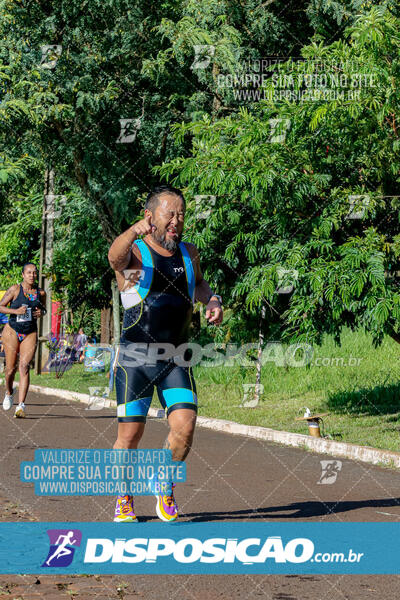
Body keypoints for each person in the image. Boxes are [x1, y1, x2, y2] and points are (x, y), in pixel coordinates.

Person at [108, 185, 223, 523]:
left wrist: (212, 301)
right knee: (130, 435)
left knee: (185, 426)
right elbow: (114, 258)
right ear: (150, 217)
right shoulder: (136, 256)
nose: (177, 220)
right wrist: (131, 232)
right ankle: (124, 496)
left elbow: (200, 285)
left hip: (176, 358)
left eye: (181, 214)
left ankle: (164, 481)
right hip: (136, 360)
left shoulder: (189, 254)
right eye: (169, 214)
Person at [0, 263, 46, 417]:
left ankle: (21, 406)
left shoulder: (41, 292)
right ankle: (8, 392)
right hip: (12, 331)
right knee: (10, 369)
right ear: (23, 275)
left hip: (30, 332)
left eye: (34, 273)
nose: (32, 275)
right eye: (29, 273)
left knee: (25, 366)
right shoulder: (15, 289)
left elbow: (43, 308)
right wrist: (15, 311)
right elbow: (0, 306)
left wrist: (41, 312)